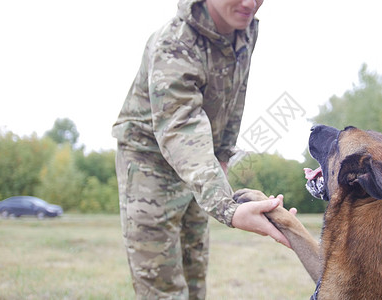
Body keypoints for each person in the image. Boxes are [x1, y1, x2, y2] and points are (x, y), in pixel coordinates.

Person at [112, 0, 290, 298]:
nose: (251, 3)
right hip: (150, 164)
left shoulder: (243, 29)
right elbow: (179, 126)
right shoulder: (174, 43)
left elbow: (235, 96)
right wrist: (228, 207)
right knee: (161, 285)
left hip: (201, 161)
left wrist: (222, 154)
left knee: (195, 275)